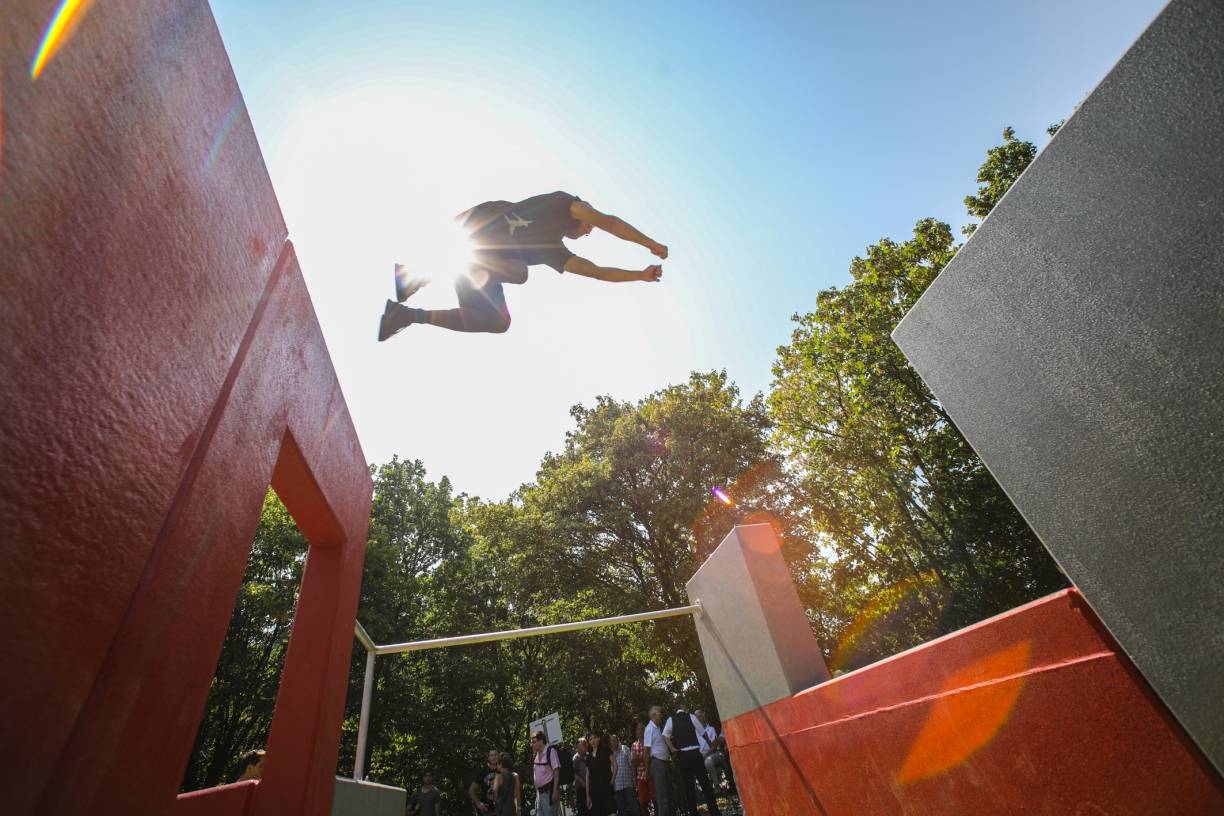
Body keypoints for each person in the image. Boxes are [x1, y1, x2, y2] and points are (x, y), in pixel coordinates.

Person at [378, 191, 667, 340]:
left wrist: (639, 276)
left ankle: (404, 315)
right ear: (584, 214)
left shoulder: (554, 251)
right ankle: (413, 276)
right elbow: (610, 222)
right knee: (496, 255)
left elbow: (596, 272)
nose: (590, 232)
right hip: (477, 225)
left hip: (480, 266)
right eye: (589, 227)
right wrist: (649, 243)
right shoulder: (566, 204)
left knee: (499, 321)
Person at [663, 704, 721, 816]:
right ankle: (714, 811)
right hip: (695, 753)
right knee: (705, 784)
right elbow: (703, 732)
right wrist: (709, 744)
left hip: (683, 755)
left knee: (688, 787)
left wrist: (672, 748)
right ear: (683, 708)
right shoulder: (691, 717)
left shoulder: (671, 720)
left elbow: (665, 736)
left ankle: (693, 813)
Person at [642, 707, 672, 816]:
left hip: (663, 763)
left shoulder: (657, 728)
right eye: (660, 714)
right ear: (653, 715)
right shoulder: (649, 729)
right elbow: (646, 750)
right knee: (662, 797)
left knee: (667, 795)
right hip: (657, 764)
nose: (661, 716)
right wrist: (647, 769)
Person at [530, 731, 561, 816]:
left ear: (541, 741)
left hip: (549, 793)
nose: (531, 744)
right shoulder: (536, 754)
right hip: (539, 795)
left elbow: (556, 771)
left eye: (534, 742)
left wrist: (555, 791)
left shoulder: (550, 751)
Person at [609, 733, 641, 816]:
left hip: (628, 784)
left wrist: (634, 779)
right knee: (622, 810)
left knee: (634, 807)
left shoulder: (625, 749)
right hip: (617, 786)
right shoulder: (610, 753)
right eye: (611, 741)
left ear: (618, 740)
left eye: (614, 740)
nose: (613, 743)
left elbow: (632, 765)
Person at [695, 710, 725, 790]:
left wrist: (706, 754)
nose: (699, 719)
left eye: (700, 716)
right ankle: (704, 790)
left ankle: (717, 785)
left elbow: (714, 746)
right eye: (697, 717)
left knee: (708, 761)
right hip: (700, 755)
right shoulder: (695, 733)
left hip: (711, 753)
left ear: (704, 716)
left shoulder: (711, 729)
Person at [630, 722, 655, 816]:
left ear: (645, 731)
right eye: (638, 729)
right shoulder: (634, 745)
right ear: (636, 732)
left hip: (652, 775)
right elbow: (633, 763)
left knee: (655, 799)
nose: (640, 731)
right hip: (640, 777)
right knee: (643, 803)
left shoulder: (650, 742)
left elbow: (653, 758)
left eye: (642, 728)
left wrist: (640, 758)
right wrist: (644, 758)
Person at [588, 731, 615, 816]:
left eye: (594, 738)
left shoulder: (605, 749)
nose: (593, 740)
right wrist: (587, 796)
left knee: (611, 812)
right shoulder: (588, 756)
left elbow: (615, 765)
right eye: (590, 739)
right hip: (594, 791)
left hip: (606, 786)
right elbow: (587, 776)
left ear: (598, 738)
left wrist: (612, 780)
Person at [469, 748, 501, 815]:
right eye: (491, 755)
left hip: (502, 807)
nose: (493, 757)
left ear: (498, 756)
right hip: (487, 808)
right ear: (488, 757)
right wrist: (478, 804)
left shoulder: (503, 771)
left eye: (495, 755)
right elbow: (471, 790)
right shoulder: (483, 772)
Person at [573, 738, 593, 816]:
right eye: (578, 748)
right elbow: (573, 773)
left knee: (592, 809)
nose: (580, 750)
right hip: (581, 788)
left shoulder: (589, 756)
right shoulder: (575, 759)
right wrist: (582, 781)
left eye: (582, 748)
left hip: (590, 786)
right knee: (583, 810)